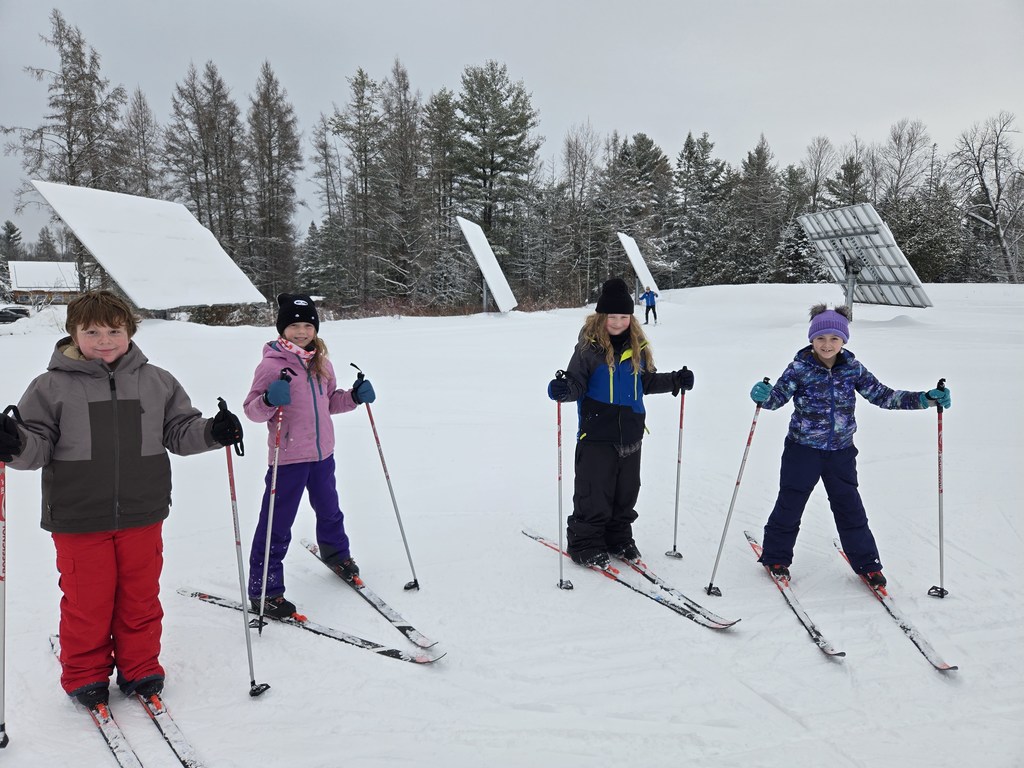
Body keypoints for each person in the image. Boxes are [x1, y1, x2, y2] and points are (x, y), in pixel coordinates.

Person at [0, 290, 243, 709]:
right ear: (73, 333)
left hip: (142, 511)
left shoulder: (157, 381)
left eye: (114, 330)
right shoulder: (51, 386)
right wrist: (14, 443)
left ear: (130, 330)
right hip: (79, 514)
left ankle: (141, 666)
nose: (105, 340)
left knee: (140, 597)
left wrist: (211, 432)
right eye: (92, 331)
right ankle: (85, 674)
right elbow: (36, 446)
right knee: (87, 602)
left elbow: (179, 430)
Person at [750, 304, 952, 588]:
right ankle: (776, 557)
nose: (827, 344)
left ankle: (867, 564)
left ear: (844, 340)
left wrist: (925, 399)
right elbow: (776, 399)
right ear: (811, 339)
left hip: (841, 453)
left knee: (849, 507)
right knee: (790, 504)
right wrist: (763, 395)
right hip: (802, 450)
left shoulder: (853, 368)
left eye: (834, 338)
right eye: (821, 338)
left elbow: (883, 396)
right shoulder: (799, 368)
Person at [243, 293, 376, 618]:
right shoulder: (271, 366)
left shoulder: (322, 364)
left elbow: (330, 402)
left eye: (306, 325)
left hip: (321, 455)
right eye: (293, 326)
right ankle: (266, 590)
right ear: (282, 329)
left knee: (330, 511)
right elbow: (252, 411)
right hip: (287, 459)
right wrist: (270, 400)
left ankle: (336, 554)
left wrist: (354, 397)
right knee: (276, 525)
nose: (301, 332)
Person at [547, 278, 693, 567]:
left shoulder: (638, 347)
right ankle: (585, 543)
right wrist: (564, 390)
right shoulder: (588, 350)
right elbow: (576, 383)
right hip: (597, 431)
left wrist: (676, 379)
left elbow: (646, 381)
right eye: (612, 316)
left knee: (626, 491)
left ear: (631, 318)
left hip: (631, 430)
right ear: (601, 316)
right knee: (594, 492)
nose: (617, 322)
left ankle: (618, 537)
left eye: (623, 316)